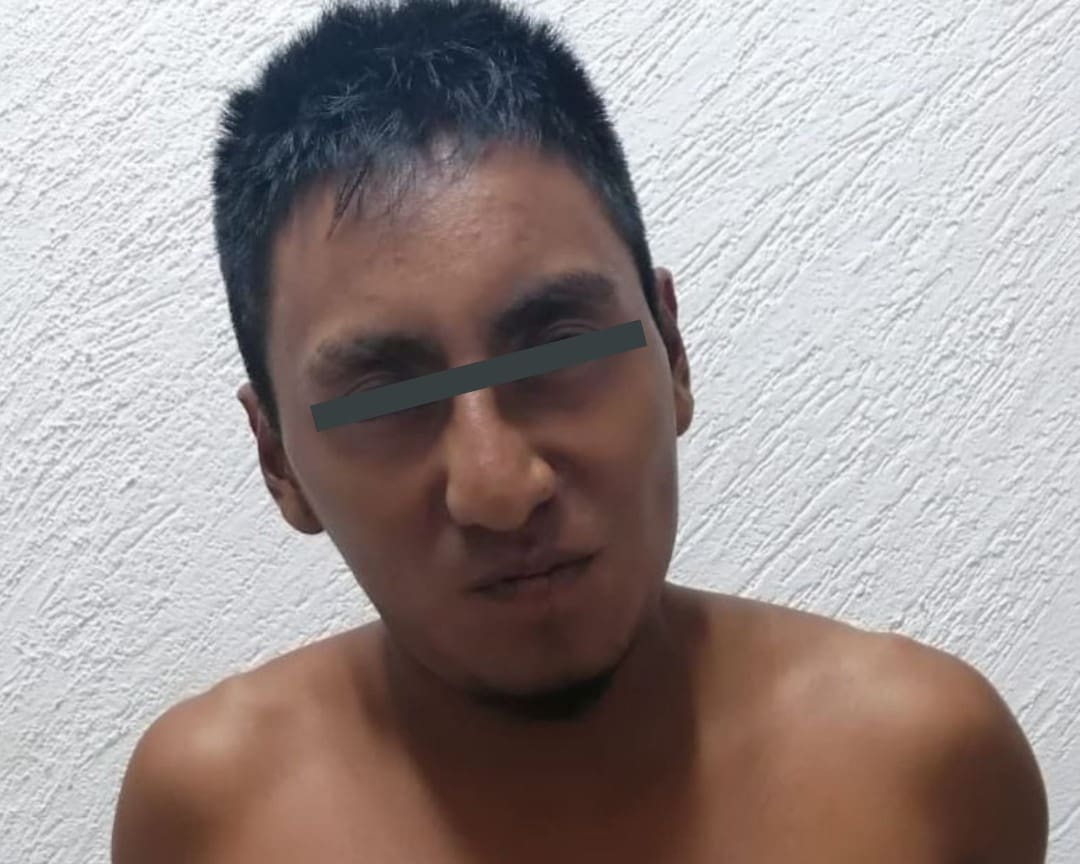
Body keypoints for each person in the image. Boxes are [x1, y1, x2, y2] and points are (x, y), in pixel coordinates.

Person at [111, 1, 1049, 861]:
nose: (499, 486)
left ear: (671, 352)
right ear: (278, 460)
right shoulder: (210, 815)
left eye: (558, 350)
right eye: (385, 398)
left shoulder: (926, 768)